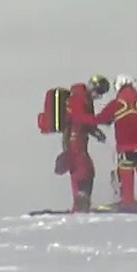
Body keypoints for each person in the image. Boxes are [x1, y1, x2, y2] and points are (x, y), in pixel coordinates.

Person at [93, 73, 137, 213]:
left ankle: (128, 206)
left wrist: (78, 118)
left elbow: (99, 119)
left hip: (125, 151)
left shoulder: (116, 104)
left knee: (126, 183)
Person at [53, 74, 111, 213]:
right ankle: (79, 204)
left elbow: (85, 121)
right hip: (73, 139)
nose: (99, 96)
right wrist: (98, 120)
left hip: (80, 139)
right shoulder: (78, 97)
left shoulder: (85, 99)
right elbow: (79, 117)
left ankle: (81, 202)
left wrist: (95, 131)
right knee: (82, 170)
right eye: (99, 92)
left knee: (84, 170)